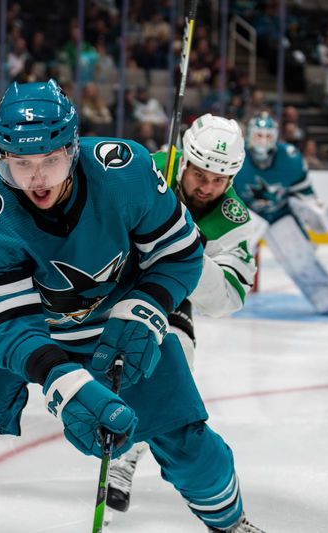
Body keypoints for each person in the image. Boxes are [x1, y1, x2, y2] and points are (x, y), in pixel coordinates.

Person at [0, 80, 263, 533]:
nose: (36, 178)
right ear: (1, 157)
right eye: (21, 163)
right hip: (23, 330)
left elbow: (178, 254)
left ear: (73, 150)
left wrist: (147, 306)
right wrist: (63, 379)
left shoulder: (125, 170)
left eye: (50, 161)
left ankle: (230, 523)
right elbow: (7, 325)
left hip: (114, 320)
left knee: (185, 435)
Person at [106, 113, 257, 517]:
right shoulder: (144, 168)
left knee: (172, 360)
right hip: (108, 280)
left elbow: (228, 296)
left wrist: (186, 249)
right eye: (200, 175)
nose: (207, 188)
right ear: (185, 161)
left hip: (169, 295)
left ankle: (124, 457)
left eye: (219, 180)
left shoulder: (234, 221)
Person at [233, 112, 328, 314]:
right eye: (259, 136)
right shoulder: (236, 156)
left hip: (279, 214)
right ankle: (218, 299)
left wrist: (315, 211)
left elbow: (304, 193)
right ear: (248, 136)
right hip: (244, 214)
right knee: (232, 255)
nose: (263, 142)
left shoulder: (290, 157)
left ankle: (326, 298)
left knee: (299, 256)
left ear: (275, 138)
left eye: (268, 136)